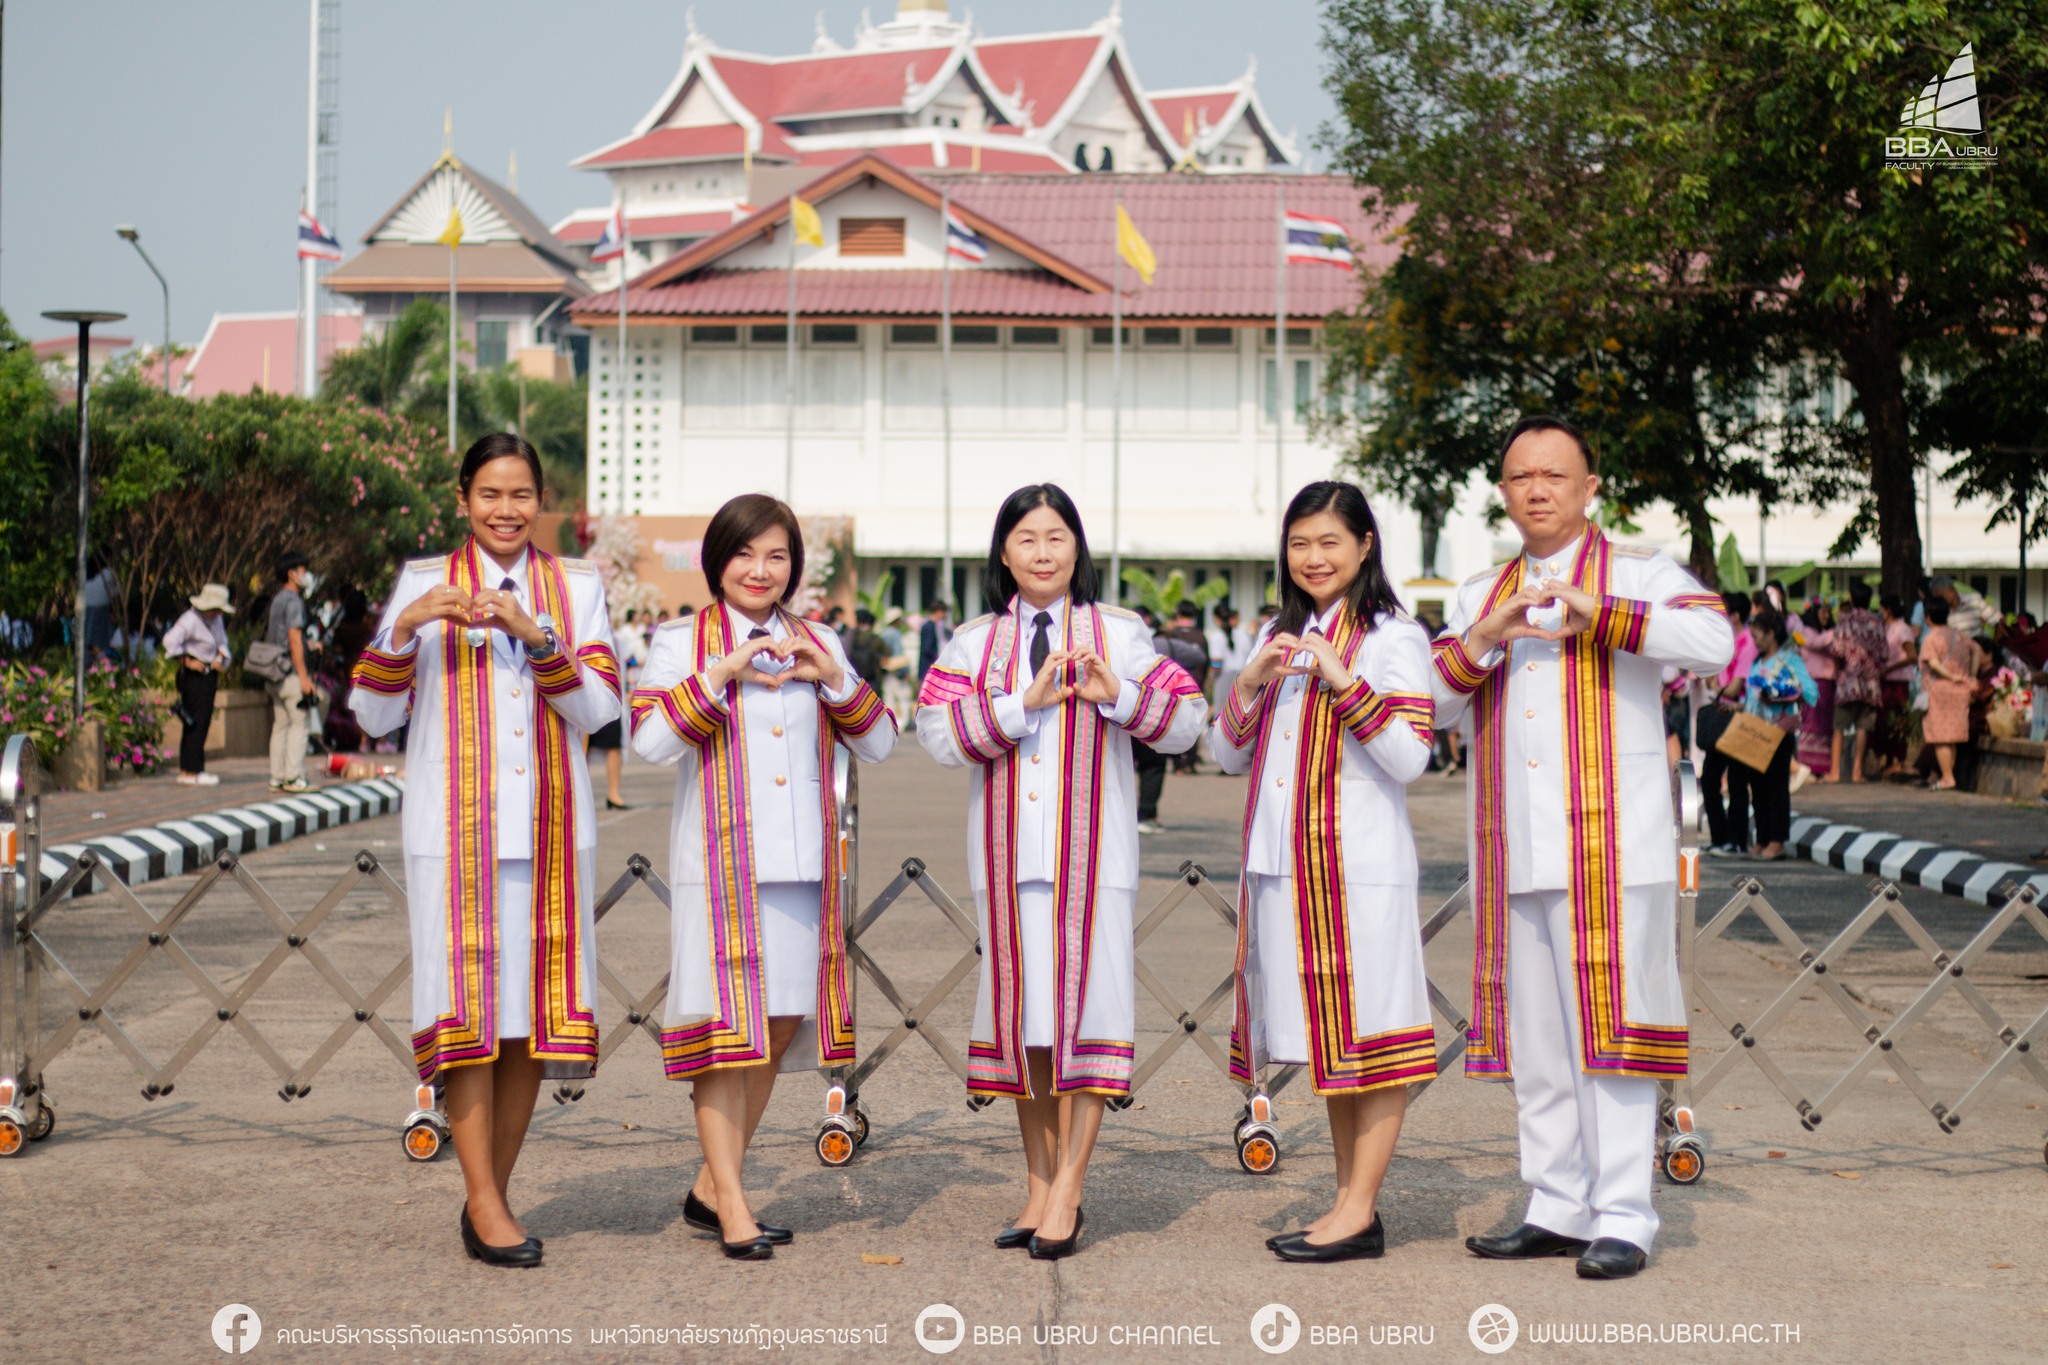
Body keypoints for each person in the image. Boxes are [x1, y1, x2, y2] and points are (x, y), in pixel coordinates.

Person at [1429, 416, 1731, 1280]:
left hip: (1613, 843)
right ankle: (1556, 1200)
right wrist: (1489, 634)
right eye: (1520, 476)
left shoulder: (1639, 571)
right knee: (1543, 1037)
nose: (1537, 489)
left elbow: (1716, 641)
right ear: (1503, 491)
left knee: (1615, 1034)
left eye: (1554, 475)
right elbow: (1432, 702)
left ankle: (1625, 1213)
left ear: (1589, 486)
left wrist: (1602, 614)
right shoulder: (1481, 589)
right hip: (1516, 844)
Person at [349, 432, 622, 1267]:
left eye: (522, 495)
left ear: (540, 501)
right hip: (451, 835)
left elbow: (603, 704)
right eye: (491, 495)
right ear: (463, 497)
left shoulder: (575, 587)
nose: (507, 510)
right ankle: (486, 1201)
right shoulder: (423, 582)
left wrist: (539, 640)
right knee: (468, 1014)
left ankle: (488, 1197)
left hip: (548, 834)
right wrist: (403, 632)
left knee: (529, 1023)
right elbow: (369, 714)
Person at [914, 484, 1207, 1260]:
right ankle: (1039, 1182)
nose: (1043, 553)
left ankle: (1071, 1185)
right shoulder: (976, 640)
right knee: (1030, 1028)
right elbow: (937, 732)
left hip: (1094, 860)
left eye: (1056, 537)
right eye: (1026, 539)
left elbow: (1186, 722)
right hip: (1009, 863)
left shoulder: (1121, 631)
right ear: (1003, 551)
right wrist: (1020, 704)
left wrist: (1120, 695)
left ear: (1078, 546)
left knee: (1085, 1021)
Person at [630, 493, 896, 1261]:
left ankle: (714, 1187)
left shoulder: (818, 640)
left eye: (777, 555)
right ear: (718, 560)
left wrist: (835, 682)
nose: (760, 569)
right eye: (745, 554)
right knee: (725, 1038)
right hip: (720, 873)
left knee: (775, 1028)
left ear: (794, 567)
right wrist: (719, 674)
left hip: (801, 871)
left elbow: (878, 741)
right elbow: (649, 740)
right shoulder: (683, 642)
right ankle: (735, 1205)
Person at [1211, 482, 1436, 1263]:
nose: (1314, 557)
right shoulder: (1282, 634)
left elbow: (1412, 754)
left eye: (1330, 541)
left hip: (1355, 869)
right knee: (1337, 1047)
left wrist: (1345, 679)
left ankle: (1360, 1208)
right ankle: (1348, 1205)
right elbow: (1225, 753)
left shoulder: (1390, 638)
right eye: (1300, 542)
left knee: (1373, 1043)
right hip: (1287, 872)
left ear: (1366, 545)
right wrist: (1248, 682)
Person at [1733, 608, 1815, 860]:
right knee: (1757, 788)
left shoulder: (1790, 660)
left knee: (1776, 788)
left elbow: (1811, 692)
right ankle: (1763, 838)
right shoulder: (1758, 663)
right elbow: (1752, 698)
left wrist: (1781, 694)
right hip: (1755, 731)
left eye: (1758, 636)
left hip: (1778, 732)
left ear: (1771, 634)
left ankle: (1777, 840)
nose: (1755, 641)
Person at [1698, 593, 1755, 856]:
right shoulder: (1728, 641)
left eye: (1724, 611)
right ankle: (1720, 838)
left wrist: (1718, 686)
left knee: (1736, 780)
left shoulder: (1748, 643)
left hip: (1740, 717)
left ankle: (1736, 840)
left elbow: (1732, 687)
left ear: (1734, 615)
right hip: (1723, 716)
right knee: (1710, 777)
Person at [162, 583, 235, 786]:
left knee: (201, 722)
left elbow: (222, 643)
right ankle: (192, 770)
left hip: (209, 674)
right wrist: (188, 662)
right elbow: (170, 641)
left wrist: (220, 657)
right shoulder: (190, 620)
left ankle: (191, 768)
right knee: (195, 722)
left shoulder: (217, 621)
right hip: (193, 676)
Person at [266, 552, 317, 793]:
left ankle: (277, 777)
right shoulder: (294, 602)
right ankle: (294, 776)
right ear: (292, 574)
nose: (306, 574)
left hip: (273, 672)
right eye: (302, 569)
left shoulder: (277, 600)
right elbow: (294, 640)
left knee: (280, 724)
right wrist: (304, 678)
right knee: (300, 723)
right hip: (290, 673)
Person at [1829, 582, 1887, 783]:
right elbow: (1884, 653)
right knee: (1864, 726)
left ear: (1852, 599)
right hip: (1870, 682)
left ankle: (1835, 772)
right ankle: (1857, 772)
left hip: (1849, 680)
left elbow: (1837, 650)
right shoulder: (1877, 622)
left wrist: (1837, 673)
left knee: (1839, 726)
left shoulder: (1845, 620)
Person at [1918, 598, 1976, 790]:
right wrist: (1969, 676)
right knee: (1952, 737)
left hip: (1940, 690)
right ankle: (1946, 775)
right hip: (1961, 691)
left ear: (1927, 617)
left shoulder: (1931, 638)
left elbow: (1932, 663)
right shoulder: (1958, 635)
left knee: (1941, 736)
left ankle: (1947, 777)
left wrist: (1951, 676)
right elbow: (1976, 650)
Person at [1874, 592, 1919, 774]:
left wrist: (1890, 668)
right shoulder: (1884, 628)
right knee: (1884, 721)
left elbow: (1912, 656)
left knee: (1898, 721)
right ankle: (1888, 757)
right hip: (1885, 681)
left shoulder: (1902, 629)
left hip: (1898, 681)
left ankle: (1900, 760)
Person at [1791, 598, 1834, 781]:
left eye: (1828, 611)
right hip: (1812, 683)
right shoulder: (1804, 632)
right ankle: (1807, 765)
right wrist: (1836, 632)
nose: (1826, 615)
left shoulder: (1826, 633)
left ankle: (1821, 766)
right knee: (1811, 722)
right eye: (1822, 611)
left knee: (1824, 725)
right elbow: (1815, 643)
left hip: (1828, 684)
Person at [917, 599, 952, 685]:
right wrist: (938, 659)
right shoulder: (930, 626)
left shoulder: (928, 625)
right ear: (939, 612)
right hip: (928, 668)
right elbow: (927, 648)